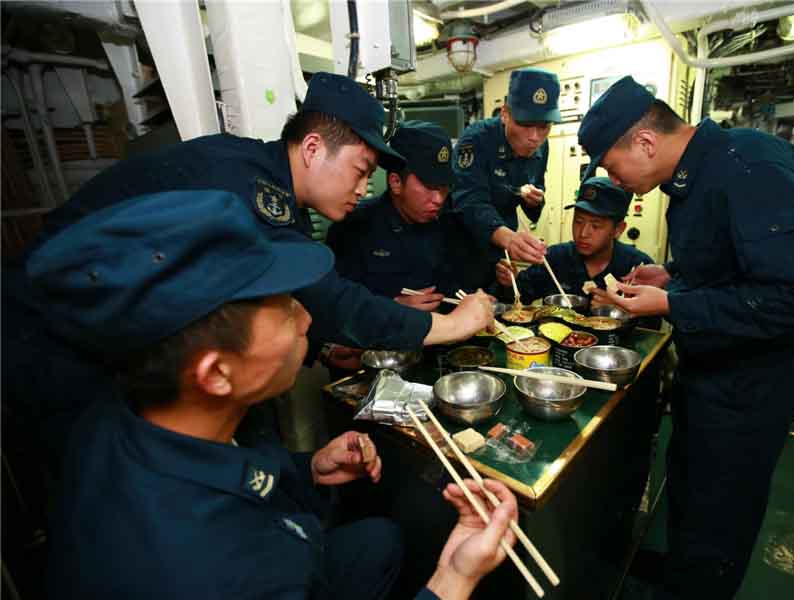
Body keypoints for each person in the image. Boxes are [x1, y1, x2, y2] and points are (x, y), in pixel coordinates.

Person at [30, 190, 518, 600]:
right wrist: (454, 577)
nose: (306, 319)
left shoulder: (123, 418)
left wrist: (306, 469)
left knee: (381, 539)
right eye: (285, 308)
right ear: (216, 372)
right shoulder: (223, 571)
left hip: (299, 544)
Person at [4, 71, 493, 470]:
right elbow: (331, 302)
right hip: (47, 334)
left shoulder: (270, 187)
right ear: (313, 149)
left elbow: (287, 301)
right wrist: (454, 324)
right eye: (361, 170)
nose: (365, 188)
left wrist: (323, 346)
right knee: (94, 486)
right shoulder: (252, 188)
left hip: (97, 334)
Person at [577, 76, 794, 598]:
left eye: (611, 167)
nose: (614, 179)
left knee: (722, 508)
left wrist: (673, 303)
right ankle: (681, 574)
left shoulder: (750, 169)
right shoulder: (696, 176)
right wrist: (673, 278)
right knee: (691, 487)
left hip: (750, 388)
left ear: (645, 143)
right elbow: (734, 270)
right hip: (711, 374)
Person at [326, 120, 457, 312]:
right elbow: (335, 305)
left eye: (444, 188)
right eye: (429, 187)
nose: (438, 199)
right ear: (396, 182)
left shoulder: (448, 222)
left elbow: (456, 285)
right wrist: (392, 308)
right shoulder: (354, 228)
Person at [450, 68, 562, 289]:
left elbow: (537, 188)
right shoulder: (476, 140)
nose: (534, 137)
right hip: (463, 249)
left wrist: (535, 201)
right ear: (505, 114)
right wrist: (509, 239)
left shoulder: (542, 146)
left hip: (501, 254)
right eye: (525, 124)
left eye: (543, 127)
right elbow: (470, 202)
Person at [494, 176, 653, 305]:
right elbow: (519, 297)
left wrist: (622, 310)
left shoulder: (637, 266)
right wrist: (510, 282)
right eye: (578, 221)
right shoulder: (556, 257)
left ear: (618, 229)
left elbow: (652, 326)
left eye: (596, 226)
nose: (583, 233)